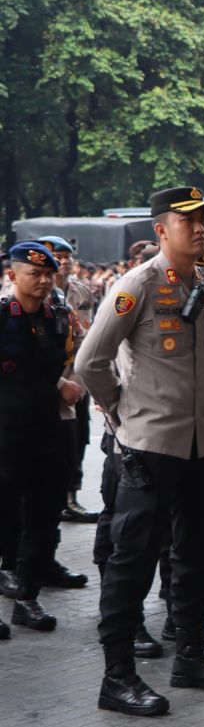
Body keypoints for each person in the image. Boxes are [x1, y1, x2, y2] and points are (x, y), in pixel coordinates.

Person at [75, 186, 204, 716]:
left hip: (199, 445)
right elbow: (89, 361)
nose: (200, 228)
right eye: (187, 220)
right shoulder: (137, 285)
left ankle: (190, 656)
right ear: (161, 230)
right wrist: (122, 410)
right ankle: (117, 676)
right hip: (149, 445)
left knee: (194, 554)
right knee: (133, 559)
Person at [0, 242, 83, 638]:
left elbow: (61, 362)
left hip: (46, 430)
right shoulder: (3, 316)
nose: (45, 281)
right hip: (4, 433)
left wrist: (63, 383)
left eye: (49, 274)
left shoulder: (57, 317)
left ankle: (27, 597)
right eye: (35, 274)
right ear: (12, 276)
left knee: (45, 514)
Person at [39, 235, 100, 524]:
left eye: (67, 258)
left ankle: (70, 496)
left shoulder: (81, 292)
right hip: (41, 384)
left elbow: (85, 339)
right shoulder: (19, 296)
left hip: (76, 379)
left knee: (77, 438)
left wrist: (77, 381)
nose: (63, 263)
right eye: (57, 258)